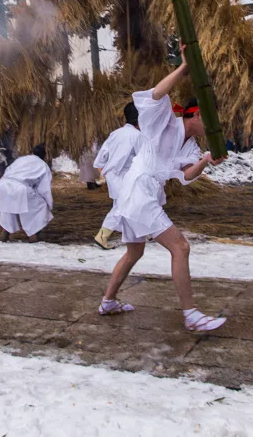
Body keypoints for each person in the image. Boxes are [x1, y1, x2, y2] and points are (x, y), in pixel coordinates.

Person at [99, 47, 227, 332]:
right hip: (138, 190)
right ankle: (191, 314)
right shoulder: (164, 120)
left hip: (143, 193)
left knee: (134, 253)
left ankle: (108, 301)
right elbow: (156, 94)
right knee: (180, 247)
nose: (213, 125)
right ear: (194, 115)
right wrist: (183, 68)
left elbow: (186, 174)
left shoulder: (192, 146)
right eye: (210, 118)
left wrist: (207, 159)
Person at [92, 102, 141, 250]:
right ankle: (102, 237)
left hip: (113, 176)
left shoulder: (115, 133)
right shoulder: (138, 136)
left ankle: (143, 232)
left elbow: (100, 160)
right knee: (122, 208)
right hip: (125, 177)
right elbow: (144, 159)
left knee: (128, 205)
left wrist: (105, 174)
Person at [0, 145, 54, 243]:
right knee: (38, 206)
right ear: (44, 155)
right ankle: (33, 235)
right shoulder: (43, 165)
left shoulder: (21, 159)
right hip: (20, 187)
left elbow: (8, 170)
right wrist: (49, 203)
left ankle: (5, 234)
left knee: (7, 209)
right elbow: (44, 189)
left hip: (3, 184)